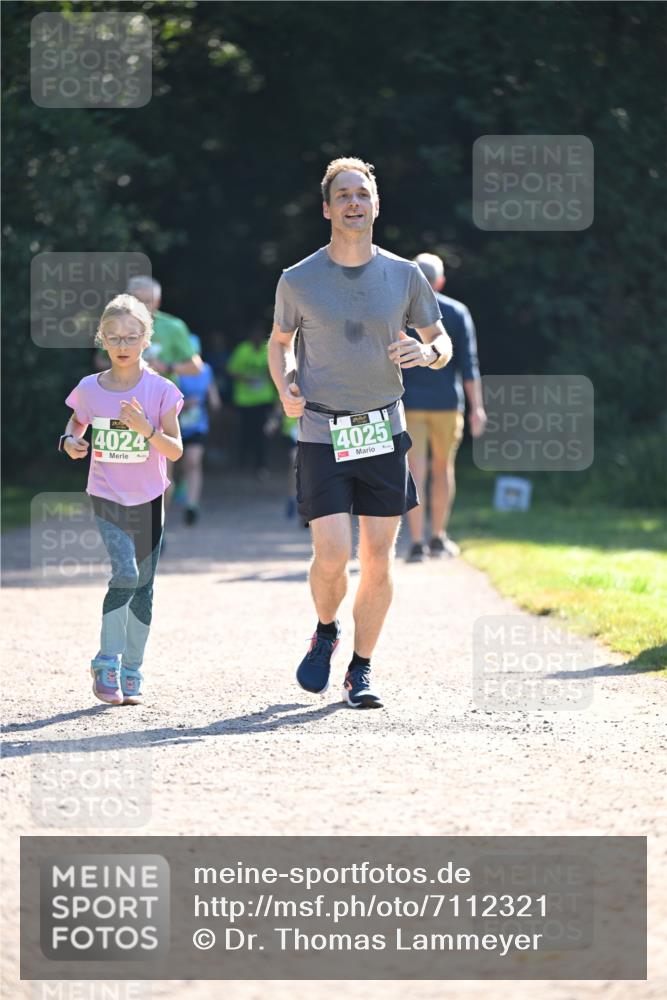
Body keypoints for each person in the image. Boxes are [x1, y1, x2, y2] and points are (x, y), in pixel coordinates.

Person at [268, 157, 452, 710]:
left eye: (362, 195)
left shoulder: (404, 275)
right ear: (327, 208)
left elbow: (441, 342)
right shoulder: (297, 279)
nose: (353, 203)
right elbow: (279, 343)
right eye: (343, 195)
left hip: (382, 428)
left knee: (378, 557)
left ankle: (361, 669)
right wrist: (286, 383)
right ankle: (326, 629)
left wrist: (426, 353)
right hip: (323, 429)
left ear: (375, 205)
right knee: (330, 553)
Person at [60, 294, 183, 706]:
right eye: (114, 338)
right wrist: (71, 441)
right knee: (126, 574)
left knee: (145, 587)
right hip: (107, 495)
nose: (123, 344)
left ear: (146, 339)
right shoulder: (89, 389)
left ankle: (132, 668)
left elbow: (175, 450)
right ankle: (105, 661)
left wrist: (146, 430)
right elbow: (76, 422)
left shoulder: (162, 390)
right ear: (103, 341)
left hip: (148, 498)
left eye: (132, 336)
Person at [402, 253, 487, 561]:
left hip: (408, 404)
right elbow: (469, 365)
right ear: (440, 281)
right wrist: (476, 408)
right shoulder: (456, 311)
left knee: (415, 472)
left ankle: (415, 542)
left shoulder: (400, 312)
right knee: (443, 469)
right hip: (447, 404)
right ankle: (438, 537)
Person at [176, 334, 222, 524]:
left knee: (194, 461)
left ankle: (192, 505)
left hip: (197, 424)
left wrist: (214, 401)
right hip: (174, 425)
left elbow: (212, 394)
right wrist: (184, 404)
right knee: (179, 464)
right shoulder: (174, 370)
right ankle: (179, 485)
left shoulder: (206, 370)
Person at [227, 325, 277, 478]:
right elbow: (230, 370)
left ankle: (261, 464)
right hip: (245, 400)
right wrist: (244, 378)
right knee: (246, 432)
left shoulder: (267, 349)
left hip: (264, 399)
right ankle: (243, 462)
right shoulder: (242, 350)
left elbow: (275, 371)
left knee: (262, 433)